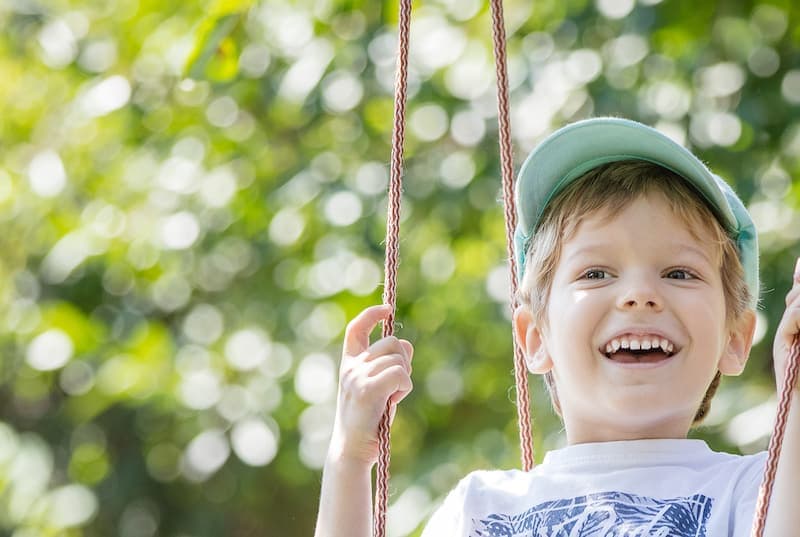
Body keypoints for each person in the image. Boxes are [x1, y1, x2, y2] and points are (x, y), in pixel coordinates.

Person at [314, 117, 800, 536]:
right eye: (596, 273)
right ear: (535, 337)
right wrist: (350, 458)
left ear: (735, 339)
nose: (639, 294)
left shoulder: (764, 488)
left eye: (679, 273)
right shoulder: (482, 508)